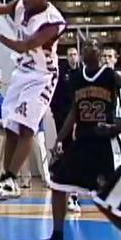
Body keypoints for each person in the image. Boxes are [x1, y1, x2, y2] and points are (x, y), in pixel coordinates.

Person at [30, 39, 121, 240]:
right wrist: (59, 139)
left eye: (94, 45)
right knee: (58, 184)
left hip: (105, 145)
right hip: (81, 143)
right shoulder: (76, 78)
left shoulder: (112, 77)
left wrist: (116, 127)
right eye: (86, 46)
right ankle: (57, 239)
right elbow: (74, 111)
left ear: (100, 53)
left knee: (108, 201)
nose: (90, 48)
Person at [0, 0, 66, 199]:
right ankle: (7, 182)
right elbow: (1, 8)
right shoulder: (22, 5)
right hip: (22, 72)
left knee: (27, 128)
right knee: (11, 126)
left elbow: (25, 46)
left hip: (43, 77)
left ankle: (10, 179)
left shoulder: (53, 22)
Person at [50, 47, 82, 213]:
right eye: (70, 55)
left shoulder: (83, 74)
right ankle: (71, 195)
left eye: (75, 54)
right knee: (68, 155)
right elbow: (55, 96)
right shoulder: (62, 74)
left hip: (83, 123)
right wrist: (56, 114)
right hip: (65, 119)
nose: (72, 57)